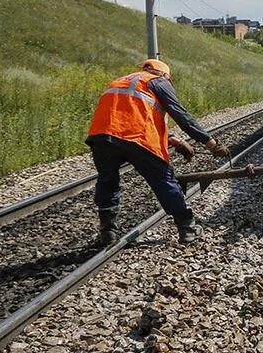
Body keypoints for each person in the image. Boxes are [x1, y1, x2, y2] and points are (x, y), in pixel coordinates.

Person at [85, 59, 229, 246]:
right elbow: (182, 116)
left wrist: (172, 139)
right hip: (138, 139)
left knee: (107, 181)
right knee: (163, 181)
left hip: (102, 137)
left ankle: (107, 231)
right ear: (165, 75)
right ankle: (187, 228)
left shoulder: (122, 81)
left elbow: (128, 117)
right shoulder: (158, 82)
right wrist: (210, 143)